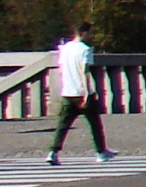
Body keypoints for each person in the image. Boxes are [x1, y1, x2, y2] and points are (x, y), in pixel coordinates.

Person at [46, 20, 114, 166]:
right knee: (95, 124)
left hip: (68, 92)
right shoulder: (85, 50)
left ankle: (53, 152)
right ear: (84, 33)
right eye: (90, 33)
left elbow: (62, 69)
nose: (92, 36)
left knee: (63, 125)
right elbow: (84, 72)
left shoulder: (64, 49)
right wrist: (86, 93)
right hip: (81, 92)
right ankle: (101, 152)